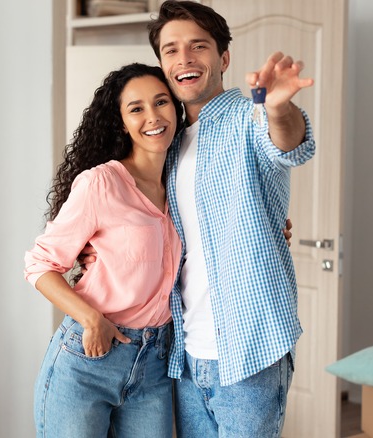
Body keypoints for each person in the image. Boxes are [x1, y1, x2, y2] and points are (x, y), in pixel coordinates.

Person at [148, 2, 317, 437]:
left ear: (223, 59)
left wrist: (277, 107)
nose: (183, 58)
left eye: (197, 46)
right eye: (170, 50)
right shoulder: (166, 147)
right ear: (162, 64)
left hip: (248, 346)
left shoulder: (249, 116)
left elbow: (286, 144)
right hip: (185, 353)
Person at [24, 63, 184, 438]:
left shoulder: (180, 182)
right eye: (136, 108)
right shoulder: (102, 183)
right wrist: (92, 319)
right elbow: (40, 264)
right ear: (122, 123)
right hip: (89, 359)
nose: (153, 116)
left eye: (161, 102)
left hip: (155, 362)